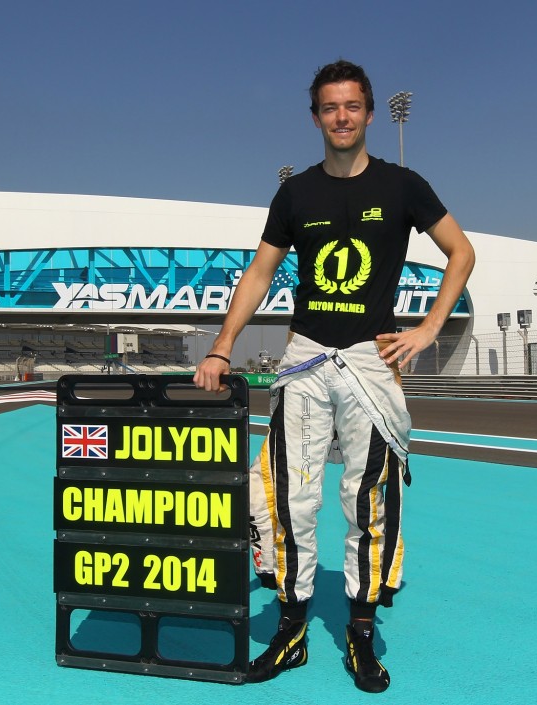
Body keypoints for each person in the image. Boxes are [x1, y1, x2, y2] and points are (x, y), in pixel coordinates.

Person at [194, 60, 475, 692]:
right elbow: (259, 275)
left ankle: (359, 630)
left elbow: (462, 251)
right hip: (304, 357)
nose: (341, 117)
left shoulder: (404, 185)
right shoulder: (295, 195)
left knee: (369, 500)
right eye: (329, 108)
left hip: (372, 362)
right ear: (315, 116)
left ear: (371, 113)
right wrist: (221, 348)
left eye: (352, 107)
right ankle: (291, 627)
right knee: (287, 497)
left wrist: (429, 329)